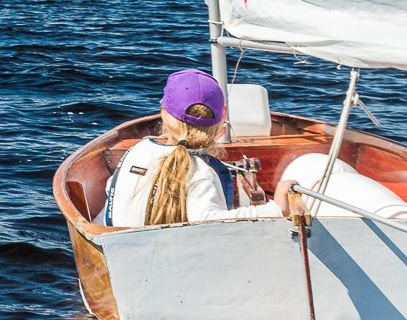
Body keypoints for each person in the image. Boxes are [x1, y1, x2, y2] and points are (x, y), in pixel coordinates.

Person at [103, 69, 285, 227]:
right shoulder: (201, 171)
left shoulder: (137, 151)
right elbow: (209, 223)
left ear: (164, 113)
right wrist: (277, 209)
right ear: (223, 118)